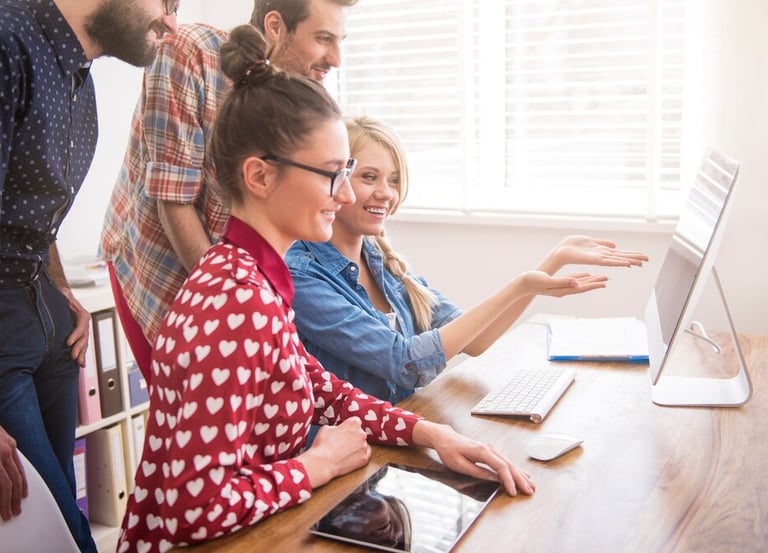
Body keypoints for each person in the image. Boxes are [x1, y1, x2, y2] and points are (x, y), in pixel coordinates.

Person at [118, 25, 535, 552]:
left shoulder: (254, 276)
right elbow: (191, 508)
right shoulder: (235, 299)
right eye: (332, 174)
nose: (344, 195)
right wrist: (315, 465)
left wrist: (432, 434)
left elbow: (320, 389)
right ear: (260, 177)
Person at [286, 116, 650, 403]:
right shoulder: (302, 275)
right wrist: (521, 284)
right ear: (339, 179)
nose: (386, 193)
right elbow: (406, 363)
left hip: (400, 436)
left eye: (394, 180)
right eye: (369, 177)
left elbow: (474, 340)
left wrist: (551, 262)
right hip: (349, 456)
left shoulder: (381, 259)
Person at [99, 0, 357, 383]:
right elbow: (174, 199)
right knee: (195, 414)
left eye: (340, 41)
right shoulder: (190, 53)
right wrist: (230, 304)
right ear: (275, 25)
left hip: (234, 277)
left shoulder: (294, 95)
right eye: (323, 39)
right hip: (160, 264)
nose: (335, 58)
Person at [0, 0, 178, 549]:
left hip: (46, 318)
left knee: (36, 532)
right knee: (63, 536)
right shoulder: (7, 38)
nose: (170, 21)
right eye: (165, 1)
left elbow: (29, 209)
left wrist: (63, 289)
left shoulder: (82, 83)